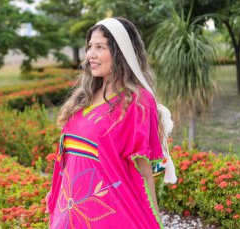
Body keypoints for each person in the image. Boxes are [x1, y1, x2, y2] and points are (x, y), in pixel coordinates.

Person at [46, 17, 177, 229]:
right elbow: (70, 159)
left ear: (120, 53)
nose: (91, 54)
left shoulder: (138, 101)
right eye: (90, 47)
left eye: (100, 47)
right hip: (71, 212)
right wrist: (56, 191)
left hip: (113, 216)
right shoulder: (84, 97)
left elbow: (144, 171)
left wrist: (155, 220)